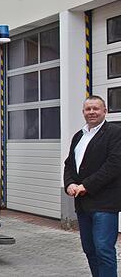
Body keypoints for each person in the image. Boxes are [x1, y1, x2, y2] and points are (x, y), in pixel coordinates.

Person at [63, 95, 121, 277]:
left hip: (104, 203)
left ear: (105, 111)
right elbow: (69, 164)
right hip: (83, 204)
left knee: (103, 249)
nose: (92, 112)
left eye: (96, 108)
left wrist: (85, 185)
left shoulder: (115, 133)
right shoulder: (79, 136)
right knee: (90, 249)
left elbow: (114, 165)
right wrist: (70, 183)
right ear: (83, 112)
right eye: (88, 109)